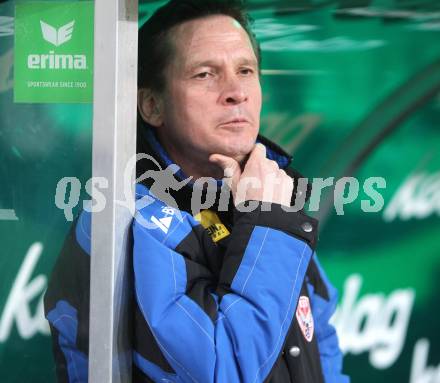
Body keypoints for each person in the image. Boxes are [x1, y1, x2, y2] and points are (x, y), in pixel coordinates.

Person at [44, 1, 349, 382]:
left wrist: (267, 215)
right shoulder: (126, 219)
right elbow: (223, 372)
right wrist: (269, 220)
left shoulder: (265, 196)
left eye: (245, 70)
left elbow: (317, 336)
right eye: (205, 74)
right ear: (152, 106)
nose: (236, 92)